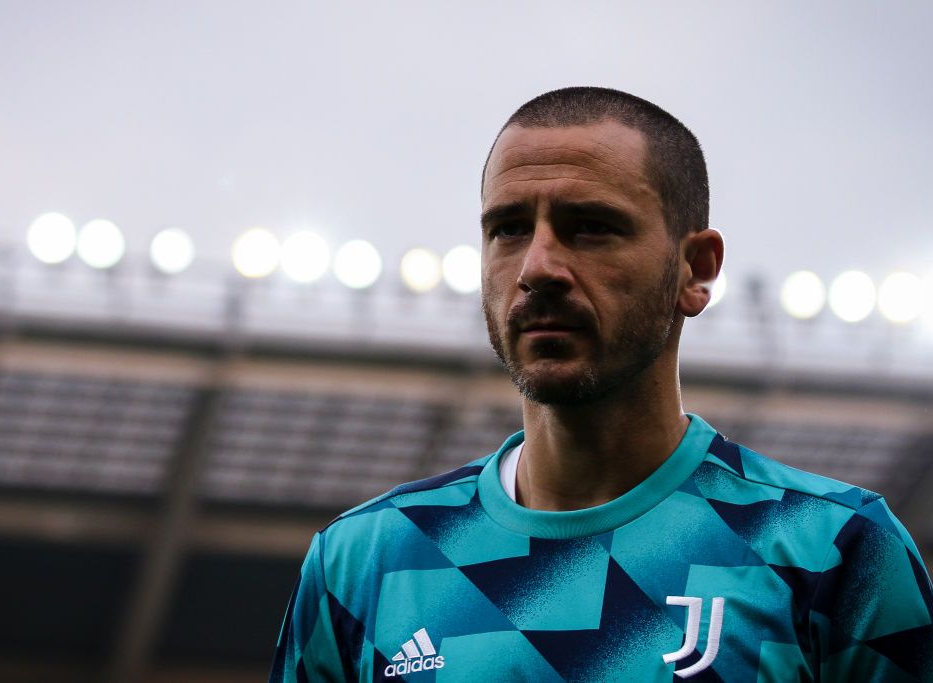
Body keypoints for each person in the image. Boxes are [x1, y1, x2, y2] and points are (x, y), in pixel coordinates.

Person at [270, 88, 933, 681]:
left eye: (589, 226)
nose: (537, 267)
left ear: (696, 270)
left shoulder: (831, 552)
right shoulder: (363, 564)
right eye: (508, 229)